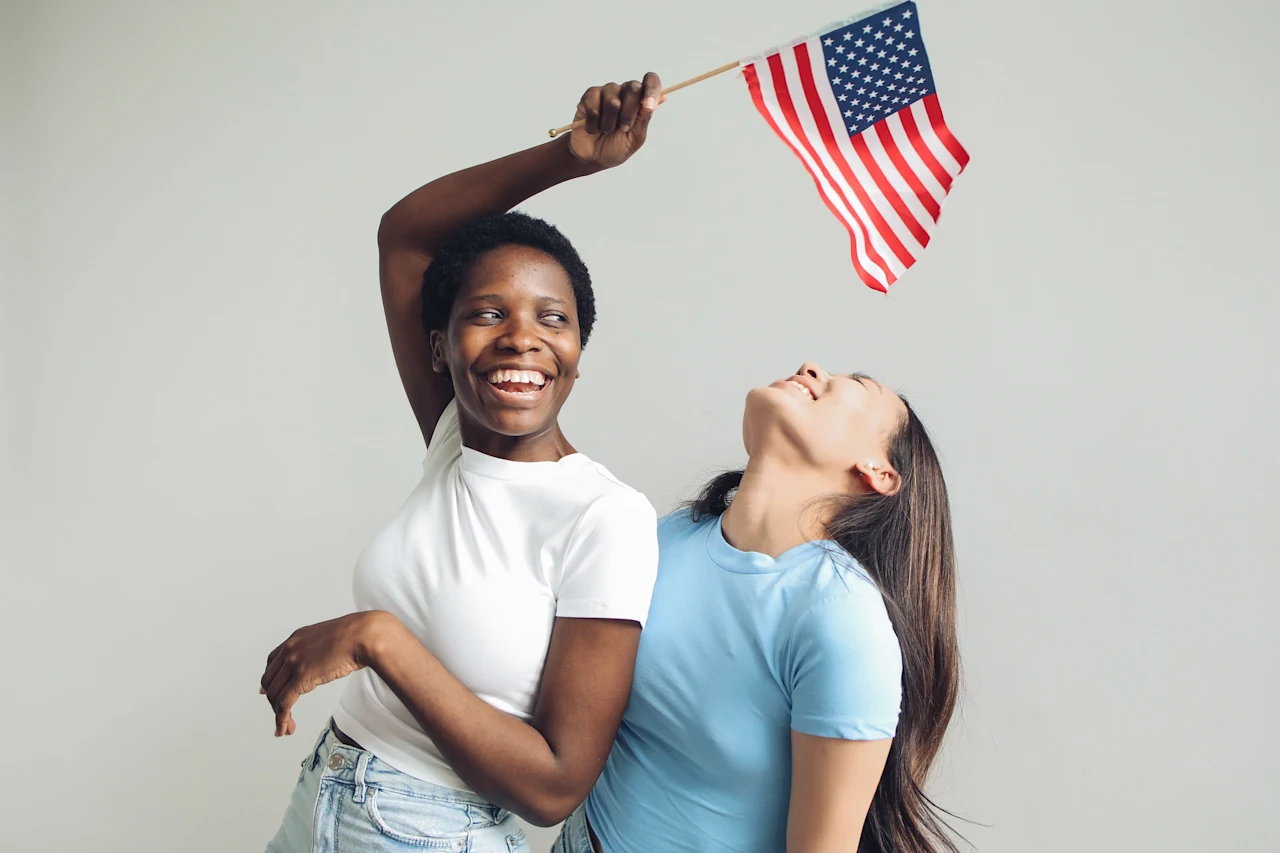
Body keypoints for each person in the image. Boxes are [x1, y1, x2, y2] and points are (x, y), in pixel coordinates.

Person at [259, 74, 670, 852]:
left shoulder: (605, 516)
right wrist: (569, 158)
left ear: (578, 354)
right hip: (325, 790)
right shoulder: (455, 435)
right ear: (441, 350)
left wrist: (379, 638)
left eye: (554, 318)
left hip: (430, 832)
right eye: (489, 313)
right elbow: (406, 235)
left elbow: (554, 785)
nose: (523, 336)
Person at [553, 365, 962, 853]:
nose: (812, 369)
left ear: (878, 471)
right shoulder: (671, 534)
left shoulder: (842, 620)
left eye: (854, 386)